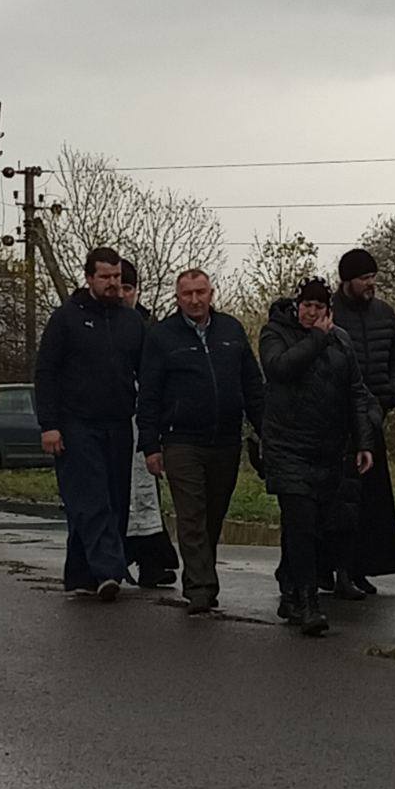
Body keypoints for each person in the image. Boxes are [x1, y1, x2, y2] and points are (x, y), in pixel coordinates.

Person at [137, 268, 265, 614]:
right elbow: (148, 395)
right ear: (177, 298)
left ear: (212, 293)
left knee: (213, 515)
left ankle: (202, 575)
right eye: (187, 294)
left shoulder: (231, 330)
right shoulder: (162, 337)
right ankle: (200, 587)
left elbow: (252, 385)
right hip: (181, 441)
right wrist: (150, 445)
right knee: (191, 515)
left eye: (201, 292)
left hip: (225, 440)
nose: (195, 300)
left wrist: (266, 428)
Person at [260, 280, 374, 635]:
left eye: (318, 307)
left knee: (315, 527)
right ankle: (309, 603)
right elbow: (280, 368)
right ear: (297, 306)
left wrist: (364, 440)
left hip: (327, 450)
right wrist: (316, 339)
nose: (312, 312)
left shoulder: (341, 340)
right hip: (287, 447)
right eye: (306, 306)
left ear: (328, 310)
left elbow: (356, 391)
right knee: (301, 522)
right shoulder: (275, 334)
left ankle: (291, 591)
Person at [35, 247, 145, 602]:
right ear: (89, 278)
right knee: (91, 495)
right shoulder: (66, 318)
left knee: (114, 498)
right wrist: (49, 424)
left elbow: (148, 371)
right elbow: (46, 373)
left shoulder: (131, 322)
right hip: (76, 423)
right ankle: (110, 569)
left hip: (118, 422)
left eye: (117, 277)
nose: (113, 284)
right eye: (105, 277)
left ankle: (81, 574)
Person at [329, 248, 395, 596]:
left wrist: (390, 394)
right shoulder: (330, 315)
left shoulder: (384, 314)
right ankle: (338, 569)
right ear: (347, 280)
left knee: (371, 501)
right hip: (339, 421)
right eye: (364, 278)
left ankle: (362, 568)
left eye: (373, 277)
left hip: (374, 415)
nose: (370, 284)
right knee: (342, 500)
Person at [119, 259, 179, 590]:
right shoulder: (105, 323)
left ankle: (152, 562)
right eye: (121, 287)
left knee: (147, 493)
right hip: (112, 419)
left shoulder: (150, 328)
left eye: (130, 288)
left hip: (143, 420)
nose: (125, 294)